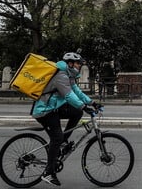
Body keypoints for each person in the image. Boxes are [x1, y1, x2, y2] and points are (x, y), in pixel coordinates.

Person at [31, 52, 101, 186]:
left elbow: (77, 92)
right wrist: (83, 107)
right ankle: (49, 172)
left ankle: (63, 141)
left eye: (80, 64)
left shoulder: (68, 75)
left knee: (76, 113)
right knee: (56, 137)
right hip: (44, 111)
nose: (79, 66)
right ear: (70, 63)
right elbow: (69, 96)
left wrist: (92, 103)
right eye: (78, 63)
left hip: (54, 107)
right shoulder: (61, 75)